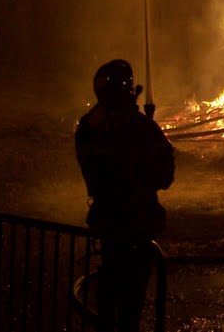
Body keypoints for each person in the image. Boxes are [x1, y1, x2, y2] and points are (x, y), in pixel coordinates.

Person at [76, 59, 175, 332]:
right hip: (136, 222)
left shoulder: (87, 126)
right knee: (132, 294)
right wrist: (148, 131)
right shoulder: (140, 129)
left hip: (105, 218)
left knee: (108, 283)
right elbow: (165, 177)